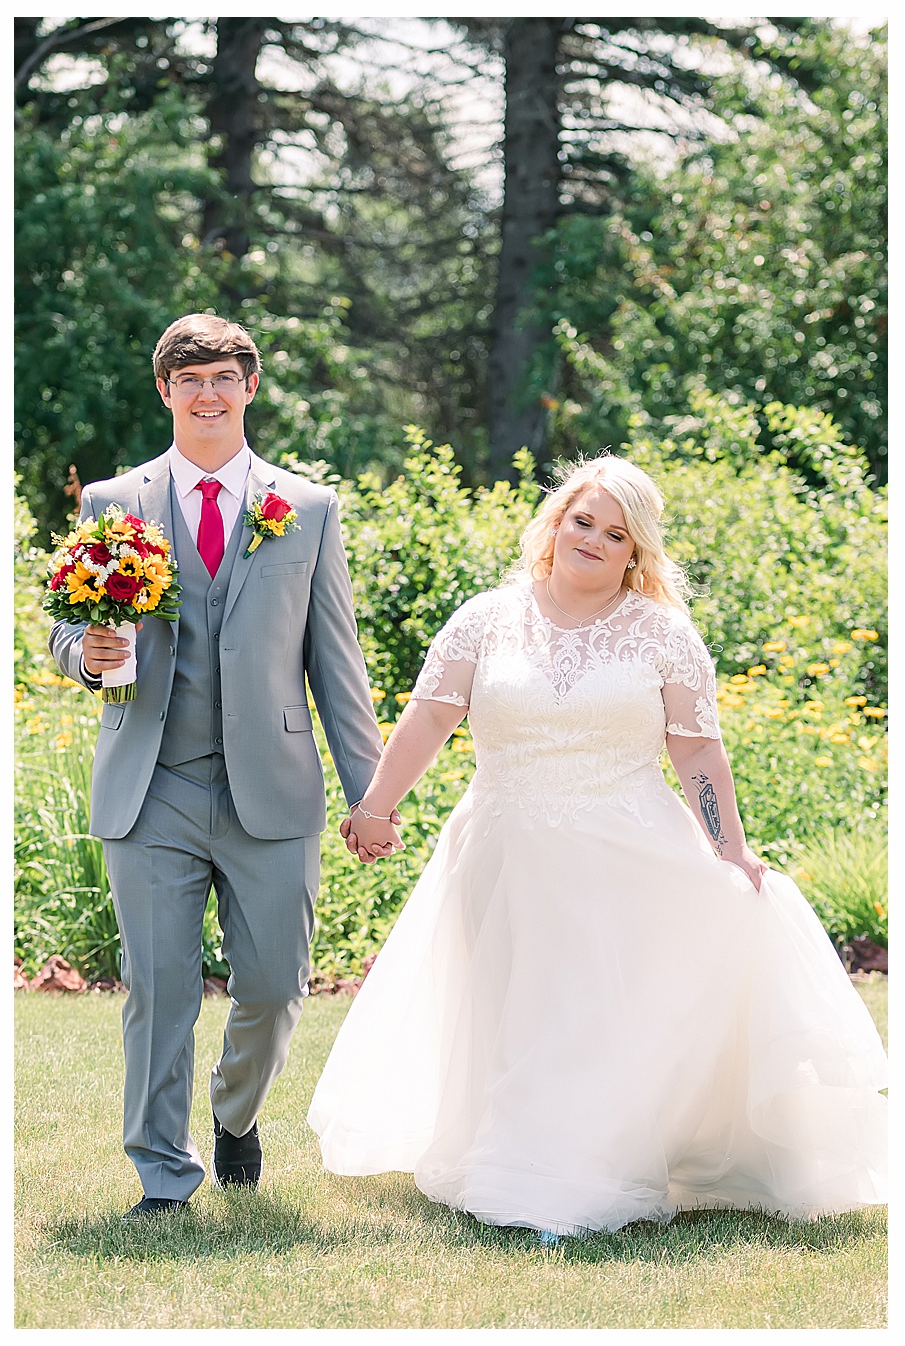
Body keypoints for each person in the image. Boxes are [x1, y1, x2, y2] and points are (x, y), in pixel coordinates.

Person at [309, 455, 888, 1240]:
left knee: (585, 1015)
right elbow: (427, 722)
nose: (594, 540)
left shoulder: (664, 634)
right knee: (516, 1012)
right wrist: (375, 806)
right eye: (583, 520)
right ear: (555, 524)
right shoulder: (485, 618)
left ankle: (567, 1181)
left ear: (634, 554)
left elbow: (696, 752)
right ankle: (519, 1156)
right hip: (502, 849)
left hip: (626, 854)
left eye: (616, 534)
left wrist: (731, 850)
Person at [48, 314, 386, 1219]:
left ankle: (235, 1112)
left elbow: (337, 664)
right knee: (159, 995)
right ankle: (164, 1177)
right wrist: (88, 654)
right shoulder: (112, 504)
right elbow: (65, 632)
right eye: (189, 379)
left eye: (223, 378)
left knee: (275, 986)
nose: (207, 394)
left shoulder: (305, 509)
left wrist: (373, 794)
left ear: (250, 388)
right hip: (149, 781)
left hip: (269, 787)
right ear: (164, 391)